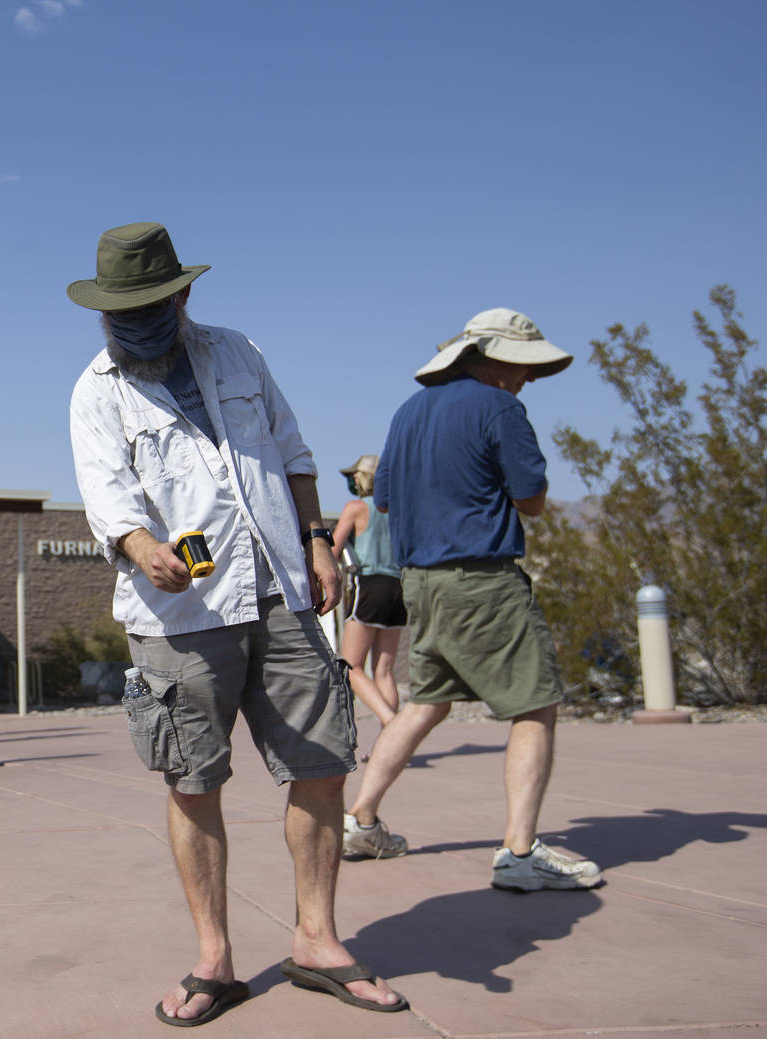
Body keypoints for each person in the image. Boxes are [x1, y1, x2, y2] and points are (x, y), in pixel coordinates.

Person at [68, 222, 407, 1025]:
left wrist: (319, 541)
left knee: (322, 764)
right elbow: (105, 496)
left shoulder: (239, 352)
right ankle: (214, 958)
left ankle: (318, 940)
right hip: (178, 615)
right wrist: (143, 545)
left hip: (283, 593)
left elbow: (291, 450)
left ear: (182, 294)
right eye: (119, 312)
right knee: (193, 780)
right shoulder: (96, 389)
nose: (134, 324)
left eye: (149, 306)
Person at [344, 308, 603, 891]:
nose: (526, 379)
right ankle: (519, 853)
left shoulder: (407, 412)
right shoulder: (500, 408)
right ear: (484, 356)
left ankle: (358, 819)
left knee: (424, 704)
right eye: (519, 365)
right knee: (535, 706)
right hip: (483, 581)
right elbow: (531, 499)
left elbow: (383, 500)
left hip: (421, 584)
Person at [331, 454, 410, 859]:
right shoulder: (396, 510)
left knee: (349, 666)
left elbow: (336, 543)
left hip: (370, 585)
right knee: (384, 668)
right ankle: (388, 741)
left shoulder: (357, 508)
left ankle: (393, 725)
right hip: (399, 587)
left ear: (362, 480)